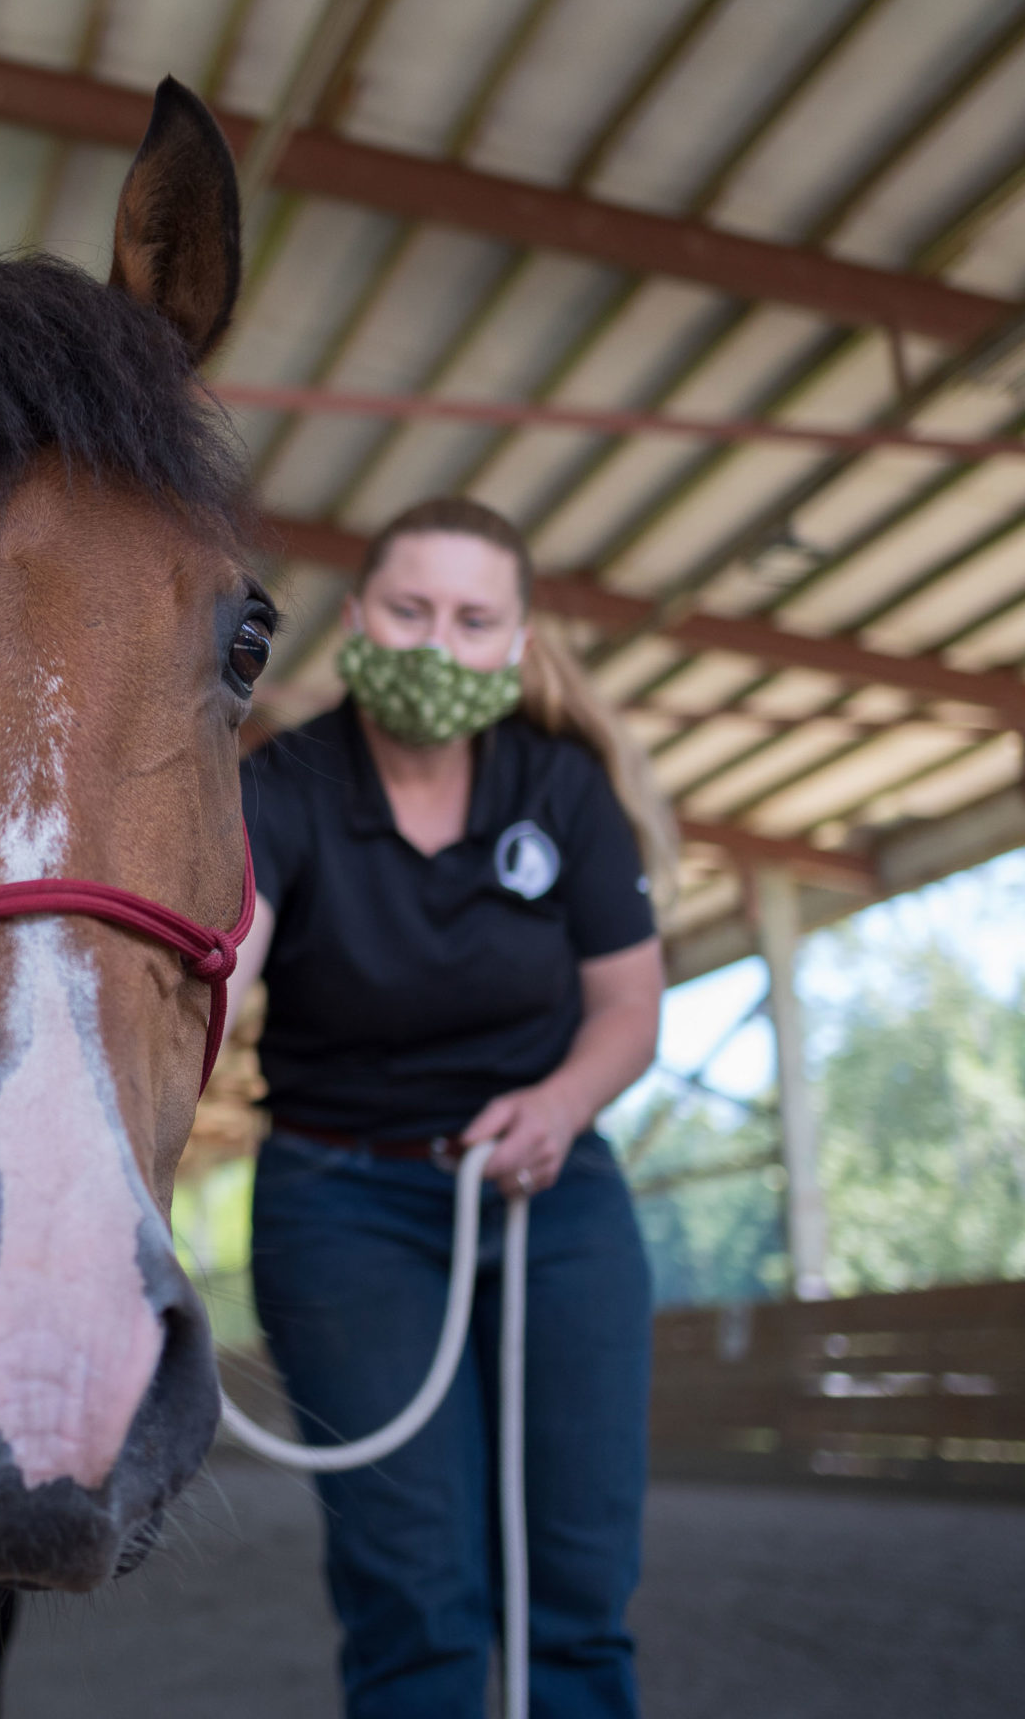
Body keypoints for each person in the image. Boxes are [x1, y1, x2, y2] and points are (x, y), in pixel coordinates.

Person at [223, 496, 679, 1719]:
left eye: (474, 620)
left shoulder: (563, 788)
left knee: (575, 1598)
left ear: (516, 646)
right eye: (411, 610)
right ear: (361, 618)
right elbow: (221, 979)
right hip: (343, 1209)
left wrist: (564, 1103)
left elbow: (630, 1005)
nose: (438, 645)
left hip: (551, 1199)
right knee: (415, 1603)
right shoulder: (286, 786)